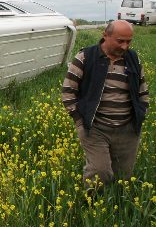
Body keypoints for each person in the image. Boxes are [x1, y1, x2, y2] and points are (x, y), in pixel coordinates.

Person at [62, 20, 149, 193]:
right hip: (95, 129)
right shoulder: (86, 57)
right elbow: (68, 91)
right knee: (100, 173)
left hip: (128, 129)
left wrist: (141, 113)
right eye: (120, 41)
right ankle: (91, 208)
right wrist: (79, 122)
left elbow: (143, 91)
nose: (125, 46)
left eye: (128, 41)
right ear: (105, 36)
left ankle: (115, 211)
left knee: (123, 178)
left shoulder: (133, 59)